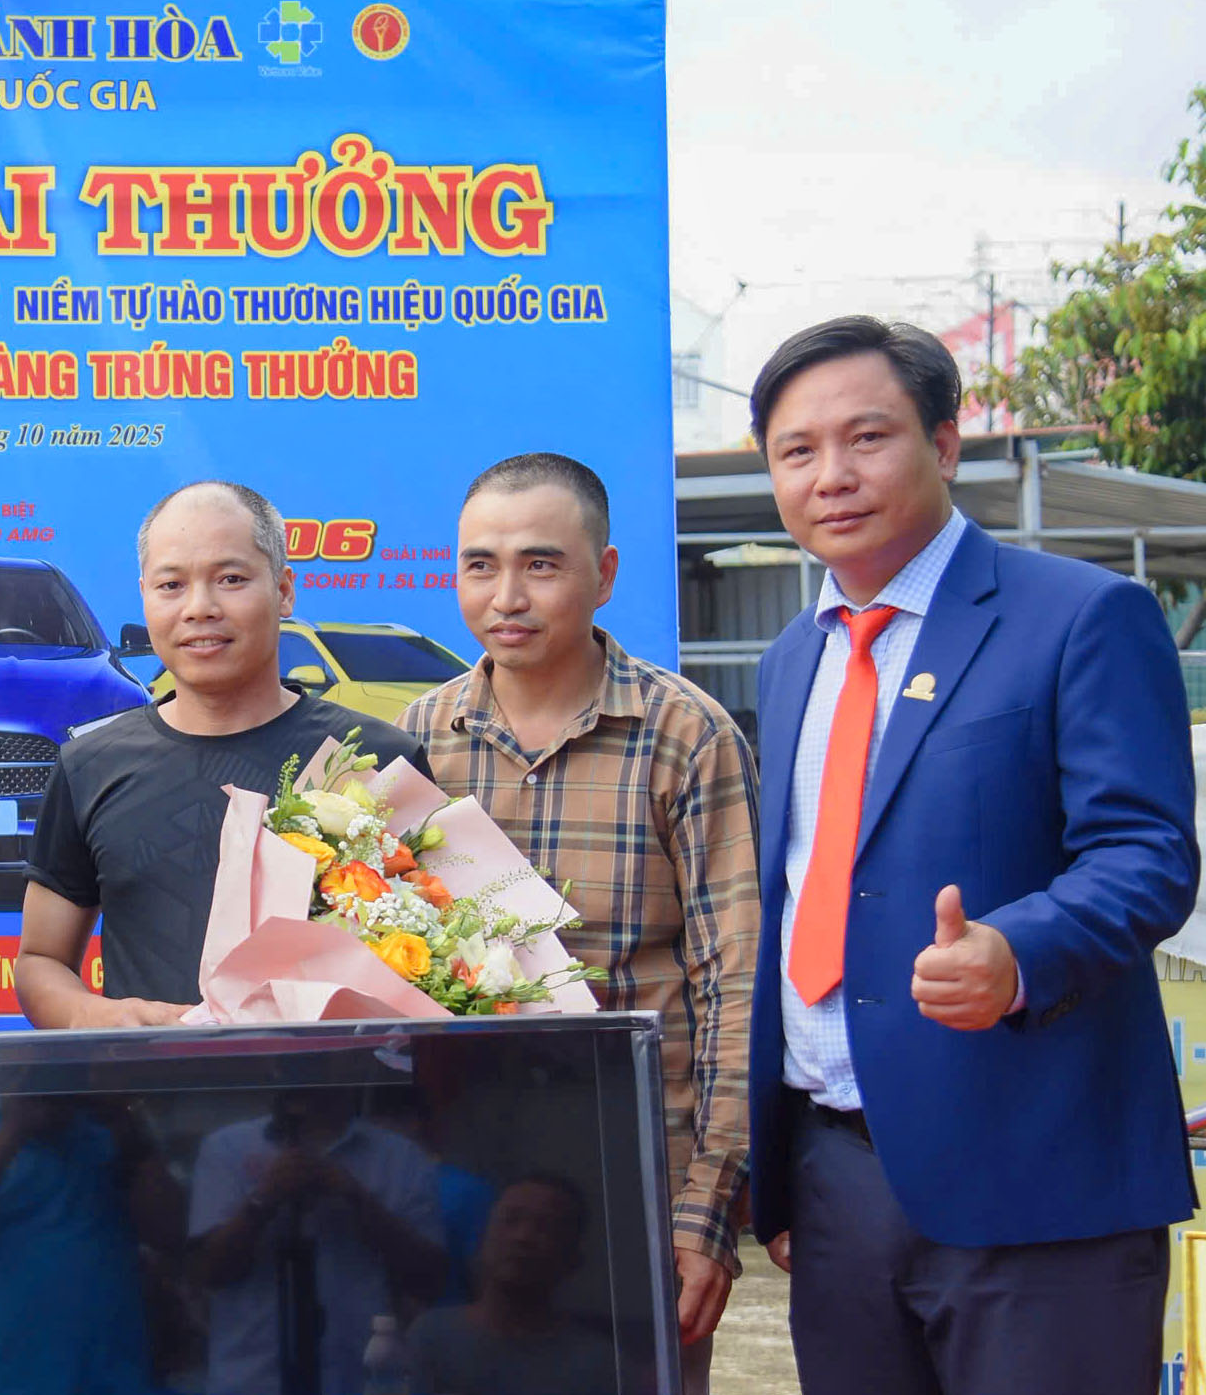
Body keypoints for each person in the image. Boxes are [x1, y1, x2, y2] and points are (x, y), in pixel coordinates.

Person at [746, 316, 1197, 1395]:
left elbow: (1146, 853)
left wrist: (1017, 951)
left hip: (1036, 1176)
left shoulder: (1081, 615)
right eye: (797, 451)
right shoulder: (790, 659)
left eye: (867, 438)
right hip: (837, 1181)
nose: (831, 476)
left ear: (944, 444)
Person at [397, 453, 757, 1393]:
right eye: (480, 565)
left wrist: (707, 1210)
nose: (506, 596)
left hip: (637, 1180)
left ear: (604, 574)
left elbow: (737, 982)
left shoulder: (687, 737)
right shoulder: (418, 738)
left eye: (541, 564)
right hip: (469, 1192)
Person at [17, 482, 429, 1026]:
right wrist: (97, 1016)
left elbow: (440, 954)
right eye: (171, 585)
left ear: (284, 590)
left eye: (230, 579)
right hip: (149, 1079)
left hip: (341, 1078)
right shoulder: (90, 766)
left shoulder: (376, 760)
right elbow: (40, 960)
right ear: (144, 596)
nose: (199, 608)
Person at [0, 1077, 183, 1395]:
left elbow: (172, 1234)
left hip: (114, 1381)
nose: (48, 1084)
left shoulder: (113, 1144)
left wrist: (123, 1120)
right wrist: (14, 1131)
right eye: (32, 1073)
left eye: (58, 1072)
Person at [188, 1087, 447, 1395]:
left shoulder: (399, 1158)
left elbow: (430, 1282)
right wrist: (264, 1199)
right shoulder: (227, 1149)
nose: (302, 1072)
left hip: (363, 1381)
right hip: (253, 1382)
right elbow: (208, 1271)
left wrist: (356, 1199)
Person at [405, 1175, 615, 1395]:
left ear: (573, 1261)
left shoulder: (599, 1367)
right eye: (510, 1220)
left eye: (545, 1227)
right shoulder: (431, 1336)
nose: (522, 1237)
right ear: (481, 1239)